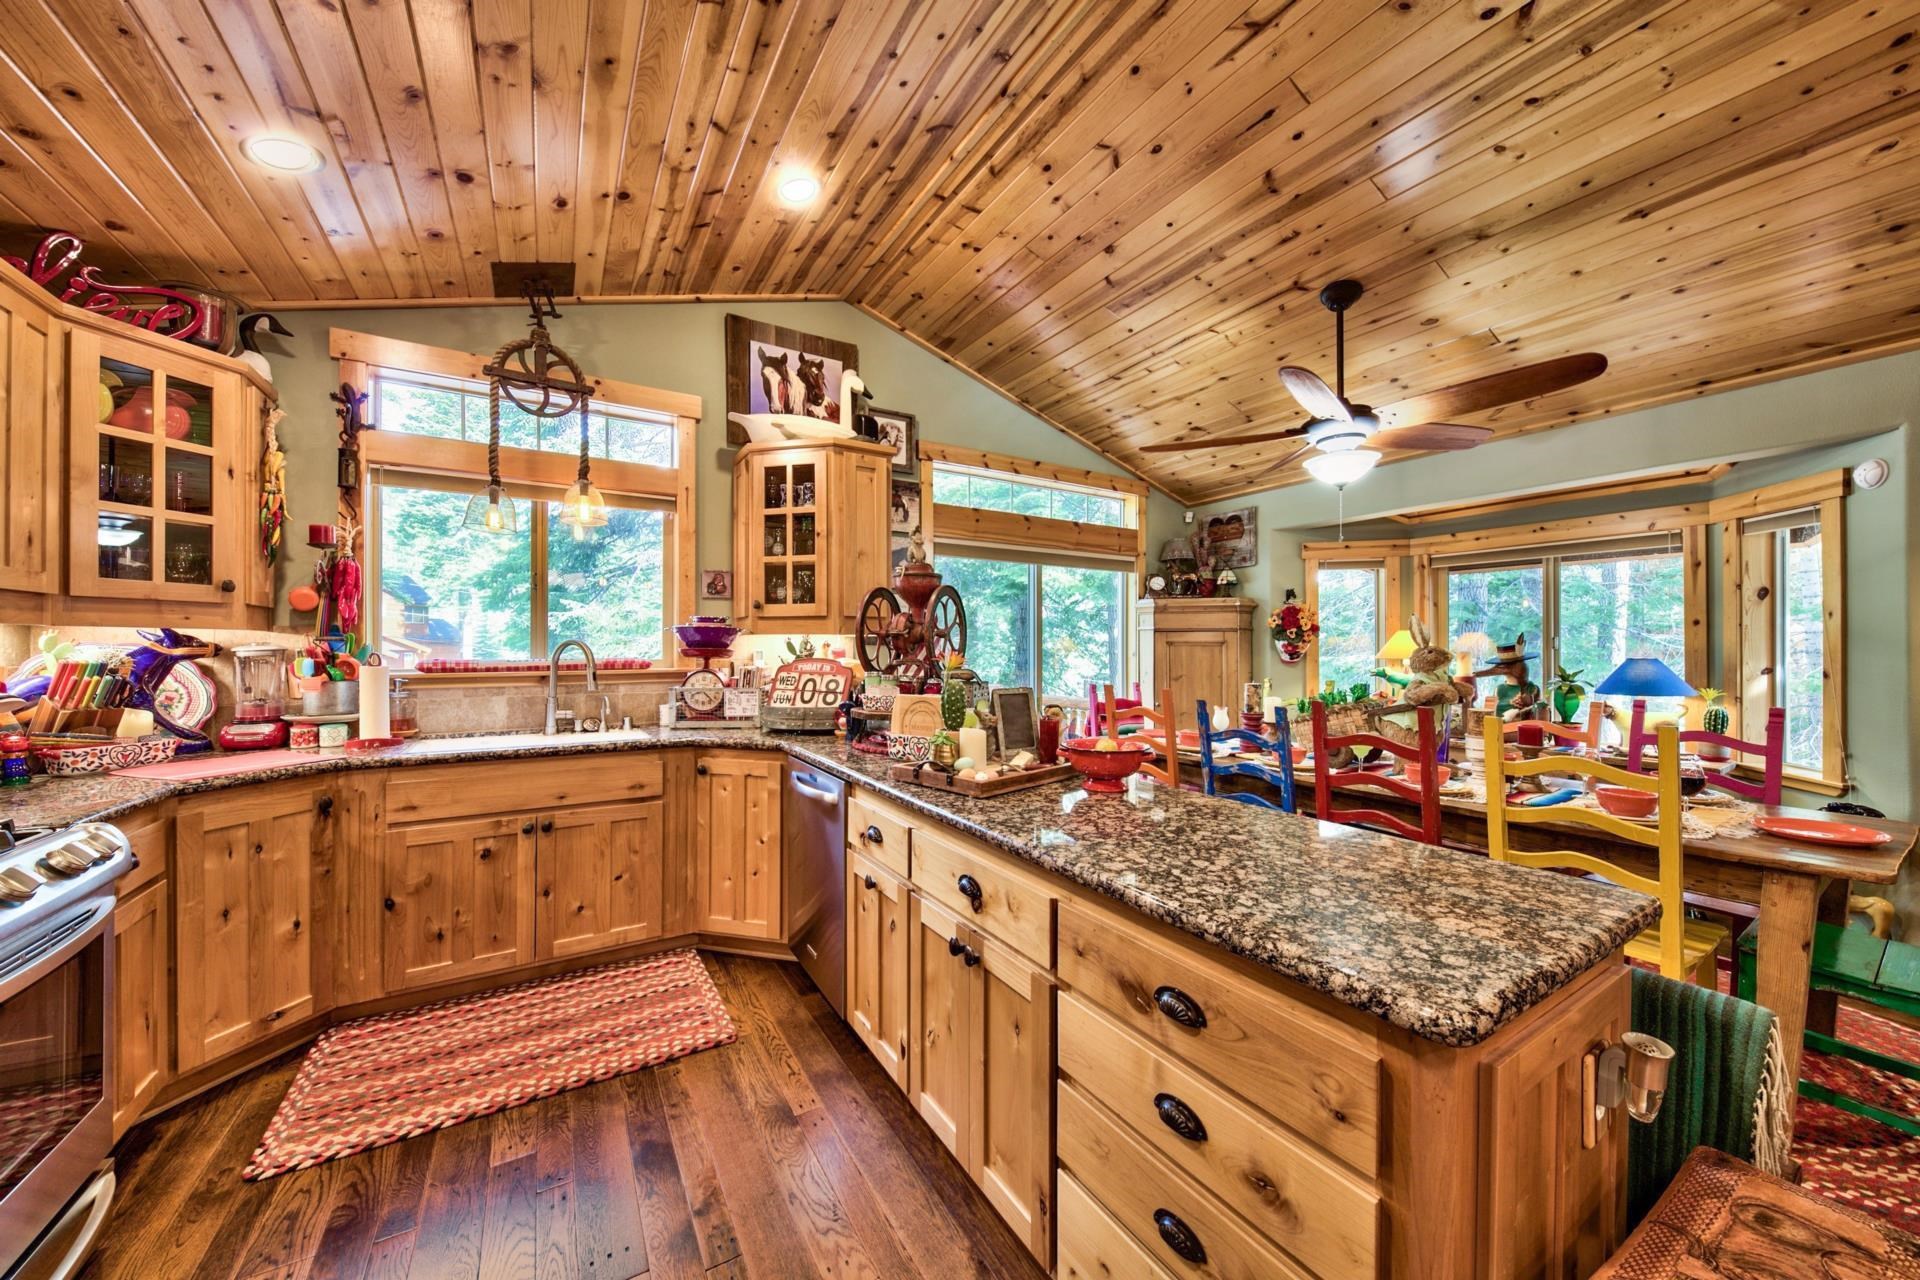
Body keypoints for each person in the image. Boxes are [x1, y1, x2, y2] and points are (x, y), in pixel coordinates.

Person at [1472, 634, 1543, 720]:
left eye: (1503, 666)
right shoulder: (1500, 689)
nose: (1496, 669)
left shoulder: (1531, 688)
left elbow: (1536, 709)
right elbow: (1491, 712)